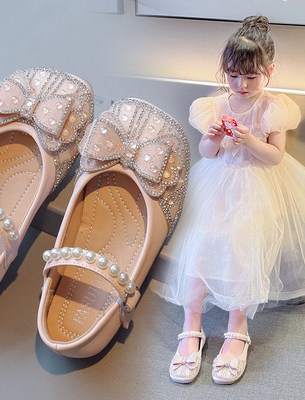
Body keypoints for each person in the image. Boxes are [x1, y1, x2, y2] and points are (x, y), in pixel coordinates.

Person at [151, 15, 305, 384]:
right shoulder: (216, 105)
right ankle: (192, 323)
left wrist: (249, 140)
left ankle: (238, 328)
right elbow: (208, 153)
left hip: (258, 185)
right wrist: (214, 138)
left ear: (269, 71)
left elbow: (275, 156)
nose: (241, 85)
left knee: (242, 246)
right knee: (200, 240)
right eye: (234, 75)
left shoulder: (273, 107)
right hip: (218, 182)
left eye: (251, 77)